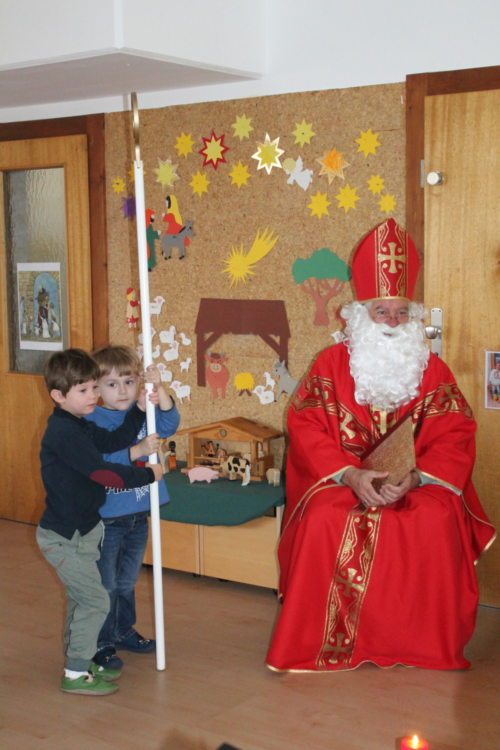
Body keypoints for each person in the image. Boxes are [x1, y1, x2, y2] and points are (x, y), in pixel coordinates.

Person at [266, 218, 495, 673]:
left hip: (416, 481)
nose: (392, 322)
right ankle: (326, 642)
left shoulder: (433, 369)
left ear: (413, 317)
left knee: (433, 516)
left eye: (401, 312)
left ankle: (420, 646)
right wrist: (350, 474)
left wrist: (416, 477)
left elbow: (455, 432)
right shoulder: (330, 364)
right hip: (343, 479)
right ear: (359, 314)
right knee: (326, 516)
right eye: (381, 312)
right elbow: (307, 425)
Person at [37, 348, 164, 695]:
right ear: (59, 396)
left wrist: (139, 410)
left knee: (83, 600)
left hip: (84, 531)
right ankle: (75, 674)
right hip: (62, 537)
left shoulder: (78, 424)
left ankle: (81, 658)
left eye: (94, 388)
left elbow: (115, 440)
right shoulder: (63, 434)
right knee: (95, 600)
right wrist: (146, 475)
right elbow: (102, 472)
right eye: (84, 391)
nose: (93, 396)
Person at [86, 346, 180, 671]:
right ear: (96, 388)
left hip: (138, 513)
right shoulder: (92, 419)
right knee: (106, 584)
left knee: (127, 581)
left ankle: (123, 630)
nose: (123, 390)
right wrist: (137, 449)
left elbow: (170, 423)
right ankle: (101, 643)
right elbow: (101, 461)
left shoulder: (142, 411)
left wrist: (160, 388)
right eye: (112, 384)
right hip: (108, 518)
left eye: (129, 381)